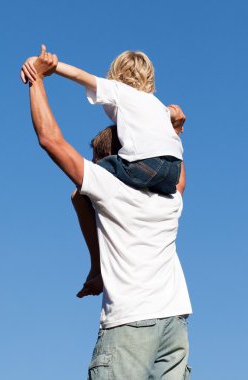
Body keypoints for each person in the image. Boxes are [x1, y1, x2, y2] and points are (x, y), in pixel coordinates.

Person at [20, 46, 192, 379]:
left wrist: (36, 80)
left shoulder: (110, 188)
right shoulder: (171, 200)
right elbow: (178, 173)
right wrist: (174, 131)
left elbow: (50, 139)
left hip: (129, 325)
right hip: (175, 324)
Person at [21, 46, 186, 195]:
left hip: (145, 164)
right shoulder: (157, 104)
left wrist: (43, 64)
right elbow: (176, 113)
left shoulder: (119, 90)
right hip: (173, 171)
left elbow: (79, 75)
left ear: (117, 74)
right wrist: (176, 121)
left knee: (95, 173)